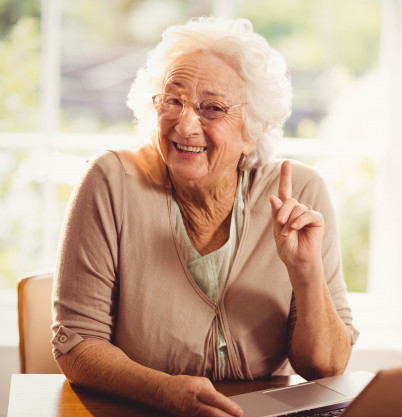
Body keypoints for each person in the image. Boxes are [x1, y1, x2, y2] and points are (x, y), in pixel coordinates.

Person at [51, 16, 358, 417]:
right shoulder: (112, 182)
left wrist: (306, 274)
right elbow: (75, 343)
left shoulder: (299, 193)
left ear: (253, 130)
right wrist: (162, 391)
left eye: (211, 108)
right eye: (173, 101)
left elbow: (327, 366)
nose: (185, 123)